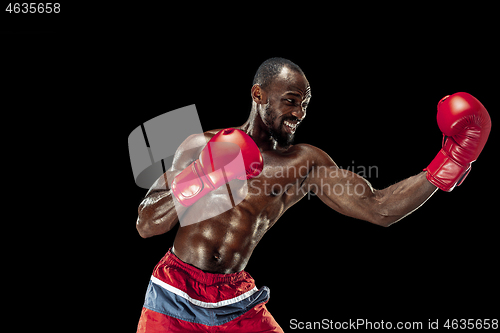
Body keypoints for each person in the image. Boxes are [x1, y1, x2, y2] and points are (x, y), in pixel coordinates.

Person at [135, 58, 491, 332]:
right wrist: (206, 174)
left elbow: (379, 208)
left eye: (304, 105)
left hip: (235, 300)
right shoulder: (199, 145)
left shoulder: (304, 163)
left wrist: (450, 162)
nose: (298, 113)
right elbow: (147, 224)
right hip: (173, 291)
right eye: (290, 101)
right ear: (258, 94)